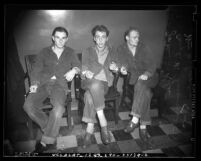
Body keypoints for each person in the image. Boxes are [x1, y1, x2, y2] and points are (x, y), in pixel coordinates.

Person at [23, 26, 81, 153]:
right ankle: (49, 127)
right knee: (28, 106)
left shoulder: (70, 52)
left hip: (59, 85)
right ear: (53, 38)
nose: (60, 41)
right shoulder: (44, 52)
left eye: (63, 38)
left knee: (59, 108)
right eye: (57, 37)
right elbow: (36, 69)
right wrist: (34, 83)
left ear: (67, 39)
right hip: (42, 84)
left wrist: (73, 70)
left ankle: (46, 141)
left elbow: (78, 65)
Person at [116, 27, 159, 145]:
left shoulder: (143, 47)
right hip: (135, 80)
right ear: (127, 38)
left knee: (141, 84)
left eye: (138, 37)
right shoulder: (121, 49)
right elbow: (121, 63)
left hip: (150, 77)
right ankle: (143, 128)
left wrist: (146, 74)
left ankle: (134, 119)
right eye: (134, 37)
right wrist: (123, 69)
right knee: (147, 94)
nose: (137, 39)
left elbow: (152, 64)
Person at [81, 25, 119, 148]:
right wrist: (86, 72)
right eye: (98, 37)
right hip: (89, 81)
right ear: (94, 38)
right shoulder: (87, 51)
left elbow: (117, 67)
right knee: (94, 84)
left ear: (107, 38)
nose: (100, 40)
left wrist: (115, 68)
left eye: (103, 37)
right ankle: (103, 123)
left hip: (104, 84)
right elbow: (84, 67)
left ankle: (89, 129)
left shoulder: (113, 51)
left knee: (89, 96)